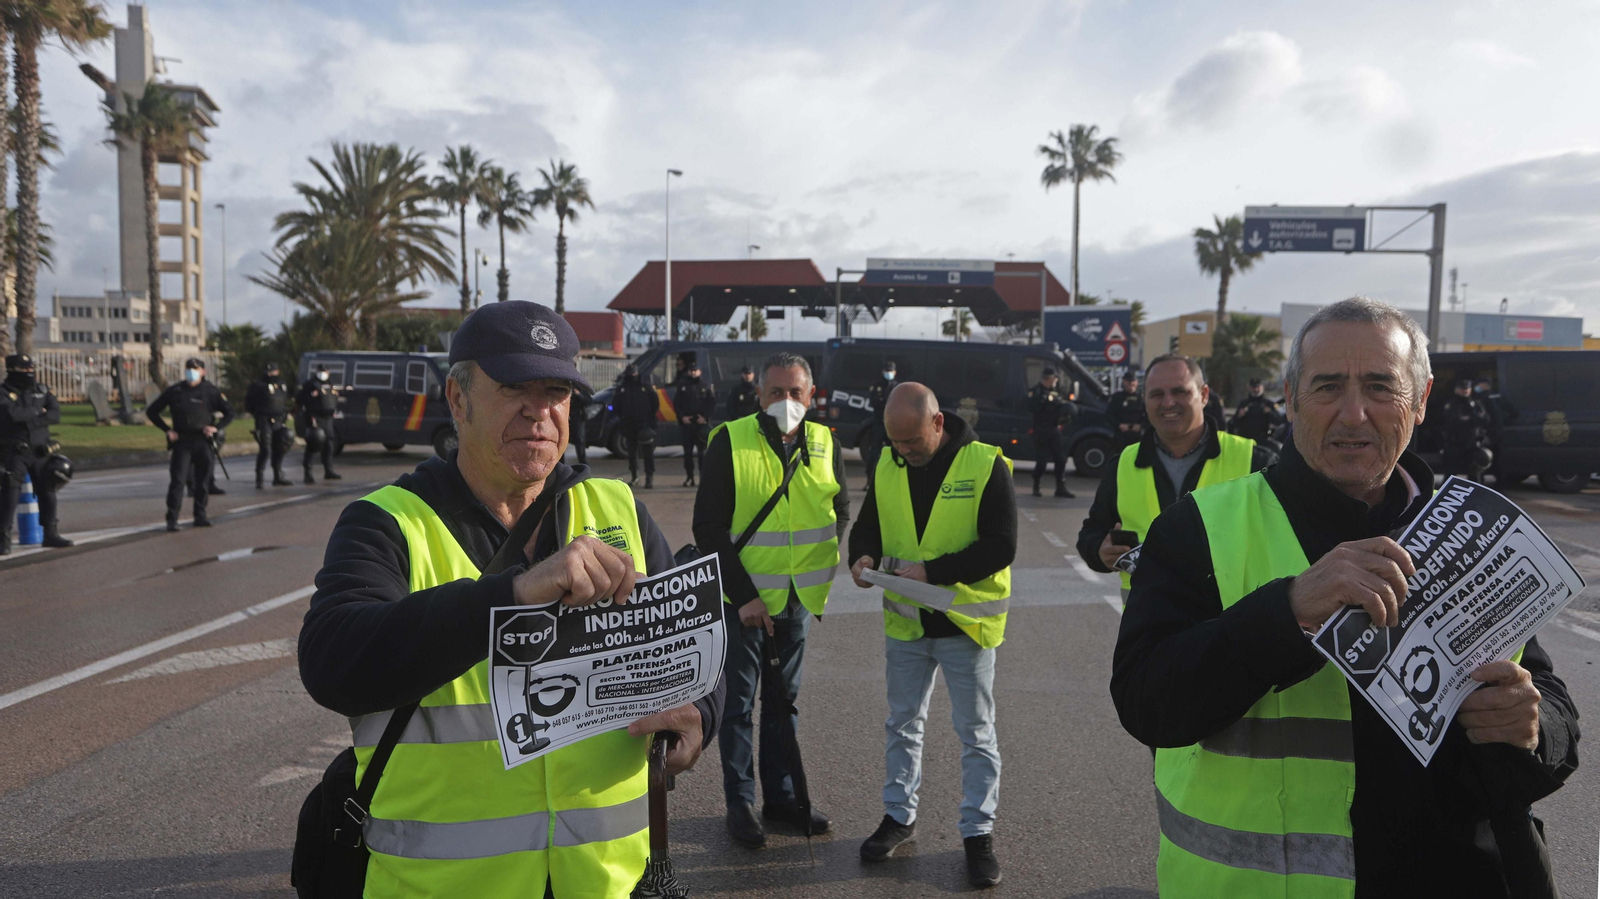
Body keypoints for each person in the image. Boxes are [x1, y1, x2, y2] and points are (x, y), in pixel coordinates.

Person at [1111, 297, 1578, 898]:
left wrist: (1534, 726)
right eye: (1328, 386)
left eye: (1381, 387)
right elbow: (1146, 703)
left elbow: (1550, 701)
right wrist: (1286, 613)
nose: (1354, 414)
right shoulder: (1197, 528)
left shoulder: (1474, 527)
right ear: (1291, 398)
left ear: (1421, 400)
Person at [298, 301, 723, 899]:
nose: (540, 411)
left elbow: (694, 636)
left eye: (557, 391)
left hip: (606, 883)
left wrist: (703, 710)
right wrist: (513, 595)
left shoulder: (617, 507)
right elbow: (331, 663)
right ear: (457, 398)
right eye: (514, 388)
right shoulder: (387, 522)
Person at [847, 381, 1015, 888]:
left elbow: (1001, 546)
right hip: (906, 623)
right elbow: (869, 525)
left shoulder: (987, 464)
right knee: (902, 724)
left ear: (937, 423)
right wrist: (863, 557)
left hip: (966, 623)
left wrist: (934, 572)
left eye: (912, 441)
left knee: (976, 734)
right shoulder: (887, 461)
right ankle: (899, 816)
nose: (903, 452)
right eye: (894, 442)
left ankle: (977, 834)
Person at [692, 351, 849, 850]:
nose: (787, 402)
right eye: (776, 392)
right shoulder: (730, 441)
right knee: (737, 707)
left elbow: (838, 509)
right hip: (741, 606)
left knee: (784, 703)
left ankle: (781, 799)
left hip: (796, 602)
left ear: (812, 395)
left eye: (796, 393)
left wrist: (815, 570)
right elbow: (708, 527)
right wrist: (744, 597)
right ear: (759, 395)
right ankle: (740, 803)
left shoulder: (825, 442)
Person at [1077, 354, 1273, 602]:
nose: (1168, 403)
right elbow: (1092, 532)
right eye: (1156, 394)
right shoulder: (1123, 464)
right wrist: (1099, 551)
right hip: (1149, 632)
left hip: (1231, 631)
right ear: (1145, 400)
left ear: (1203, 395)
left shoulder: (1254, 460)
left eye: (1180, 392)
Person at [146, 358, 234, 531]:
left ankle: (200, 516)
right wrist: (167, 430)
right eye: (188, 369)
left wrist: (215, 428)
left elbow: (229, 412)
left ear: (203, 372)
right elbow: (152, 411)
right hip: (182, 441)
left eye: (195, 369)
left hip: (202, 441)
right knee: (178, 481)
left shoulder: (210, 391)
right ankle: (172, 519)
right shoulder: (176, 390)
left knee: (202, 482)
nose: (191, 372)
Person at [0, 354, 72, 553]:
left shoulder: (41, 389)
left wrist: (32, 416)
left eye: (31, 368)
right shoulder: (4, 392)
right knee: (10, 495)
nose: (29, 373)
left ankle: (51, 533)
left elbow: (55, 414)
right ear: (13, 370)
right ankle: (3, 539)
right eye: (24, 370)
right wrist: (38, 412)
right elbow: (11, 415)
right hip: (16, 452)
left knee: (48, 492)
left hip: (41, 450)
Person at [1025, 367, 1076, 498]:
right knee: (1042, 460)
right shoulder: (1036, 392)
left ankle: (1060, 487)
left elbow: (1061, 407)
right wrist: (1043, 399)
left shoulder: (1055, 393)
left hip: (1054, 429)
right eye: (1055, 378)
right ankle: (1036, 485)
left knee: (1060, 459)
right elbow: (1031, 408)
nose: (1056, 381)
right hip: (1041, 430)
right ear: (1048, 378)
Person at [245, 361, 293, 489]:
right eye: (268, 372)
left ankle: (278, 476)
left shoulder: (281, 384)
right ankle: (259, 478)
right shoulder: (258, 385)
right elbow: (249, 403)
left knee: (281, 446)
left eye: (273, 371)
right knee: (265, 449)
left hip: (278, 420)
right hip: (263, 420)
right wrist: (258, 414)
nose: (270, 374)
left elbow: (284, 401)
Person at [1439, 378, 1493, 483]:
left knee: (1474, 474)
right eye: (1462, 389)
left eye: (1467, 388)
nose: (1465, 391)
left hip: (1473, 445)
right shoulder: (1451, 405)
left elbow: (1485, 419)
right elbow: (1451, 421)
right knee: (1450, 475)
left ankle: (1475, 498)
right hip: (1455, 445)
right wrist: (1470, 420)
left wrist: (1470, 419)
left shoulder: (1475, 404)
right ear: (1456, 390)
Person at [295, 364, 342, 484]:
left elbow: (333, 400)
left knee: (329, 446)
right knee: (314, 444)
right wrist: (311, 395)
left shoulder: (330, 384)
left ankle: (329, 471)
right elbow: (300, 400)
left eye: (325, 371)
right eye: (321, 371)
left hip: (328, 419)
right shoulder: (310, 385)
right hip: (315, 418)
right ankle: (308, 473)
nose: (323, 373)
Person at [613, 364, 658, 489]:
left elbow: (655, 404)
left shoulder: (646, 387)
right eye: (631, 373)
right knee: (631, 453)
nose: (633, 375)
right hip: (629, 425)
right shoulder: (622, 388)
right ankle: (634, 476)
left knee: (647, 453)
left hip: (644, 425)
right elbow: (615, 406)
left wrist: (650, 420)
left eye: (635, 373)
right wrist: (623, 419)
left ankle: (649, 477)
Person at [674, 359, 716, 487]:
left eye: (695, 371)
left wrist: (705, 418)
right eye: (691, 371)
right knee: (687, 453)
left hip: (701, 424)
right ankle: (689, 477)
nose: (693, 373)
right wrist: (682, 417)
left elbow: (711, 403)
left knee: (702, 453)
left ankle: (702, 478)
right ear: (688, 372)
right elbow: (676, 403)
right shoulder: (682, 385)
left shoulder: (706, 386)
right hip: (687, 424)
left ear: (699, 371)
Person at [861, 361, 896, 488]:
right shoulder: (876, 386)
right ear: (882, 372)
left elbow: (897, 405)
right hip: (878, 424)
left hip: (892, 425)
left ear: (895, 372)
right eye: (887, 370)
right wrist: (888, 404)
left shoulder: (898, 387)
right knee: (873, 454)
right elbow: (875, 403)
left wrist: (886, 404)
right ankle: (869, 482)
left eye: (891, 371)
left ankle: (893, 483)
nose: (889, 373)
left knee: (895, 454)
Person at [1229, 377, 1284, 444]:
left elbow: (1279, 421)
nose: (1255, 389)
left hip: (1263, 440)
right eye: (1253, 387)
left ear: (1262, 387)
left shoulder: (1268, 403)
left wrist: (1269, 413)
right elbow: (1232, 423)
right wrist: (1239, 416)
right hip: (1245, 441)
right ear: (1249, 388)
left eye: (1258, 387)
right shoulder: (1244, 403)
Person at [1106, 371, 1146, 450]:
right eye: (1129, 381)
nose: (1131, 383)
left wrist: (1141, 426)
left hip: (1137, 435)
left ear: (1137, 382)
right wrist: (1119, 425)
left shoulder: (1142, 398)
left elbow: (1149, 415)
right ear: (1124, 382)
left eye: (1133, 381)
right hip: (1121, 435)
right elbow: (1109, 414)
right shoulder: (1117, 397)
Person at [569, 389, 589, 466]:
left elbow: (588, 401)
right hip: (566, 417)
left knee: (580, 442)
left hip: (578, 419)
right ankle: (560, 465)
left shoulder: (580, 387)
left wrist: (578, 394)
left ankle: (583, 464)